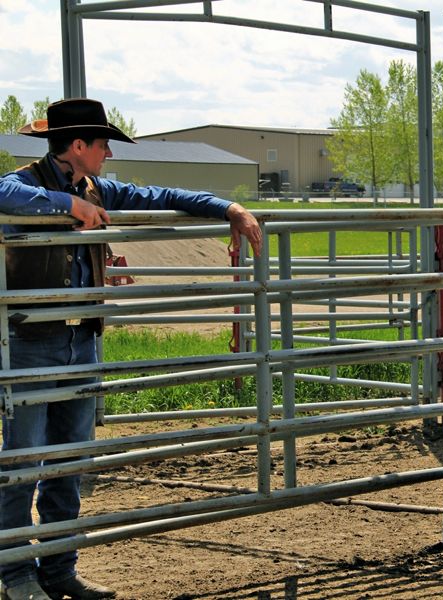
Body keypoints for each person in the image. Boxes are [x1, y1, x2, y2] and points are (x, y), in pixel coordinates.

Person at [0, 98, 263, 600]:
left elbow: (161, 193)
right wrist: (69, 207)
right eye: (102, 145)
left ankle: (58, 570)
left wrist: (227, 206)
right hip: (31, 340)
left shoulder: (98, 187)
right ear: (78, 146)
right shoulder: (28, 184)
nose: (108, 155)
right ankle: (15, 572)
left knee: (70, 459)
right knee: (23, 460)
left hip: (81, 338)